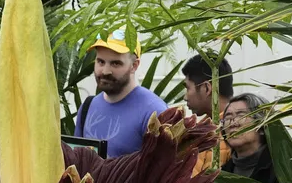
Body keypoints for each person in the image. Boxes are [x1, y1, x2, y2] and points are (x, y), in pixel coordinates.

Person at [75, 28, 167, 159]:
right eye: (101, 62)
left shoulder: (154, 112)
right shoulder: (87, 107)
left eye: (115, 63)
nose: (105, 71)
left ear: (134, 66)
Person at [183, 53, 234, 175]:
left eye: (187, 88)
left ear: (206, 88)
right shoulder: (204, 129)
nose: (185, 97)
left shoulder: (233, 132)